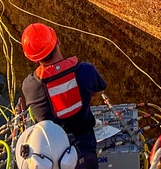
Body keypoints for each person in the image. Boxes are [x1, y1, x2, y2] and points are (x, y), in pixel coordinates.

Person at [21, 23, 108, 169]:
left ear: (33, 58)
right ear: (57, 41)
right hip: (84, 143)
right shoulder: (87, 71)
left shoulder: (30, 87)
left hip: (49, 153)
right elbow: (98, 92)